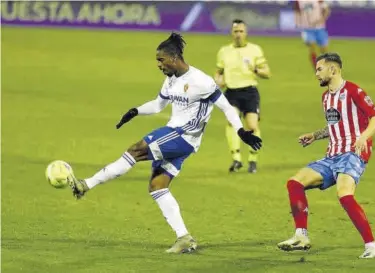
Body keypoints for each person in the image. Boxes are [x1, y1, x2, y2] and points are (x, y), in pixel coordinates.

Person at [67, 33, 262, 254]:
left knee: (135, 150)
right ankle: (184, 238)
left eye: (161, 60)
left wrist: (240, 131)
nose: (158, 65)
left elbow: (226, 107)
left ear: (174, 57)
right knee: (157, 187)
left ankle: (86, 185)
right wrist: (135, 111)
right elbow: (159, 105)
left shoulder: (201, 81)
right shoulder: (171, 78)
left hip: (182, 135)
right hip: (179, 138)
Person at [277, 53, 375, 259]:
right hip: (331, 155)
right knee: (295, 183)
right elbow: (335, 126)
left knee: (344, 195)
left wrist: (363, 137)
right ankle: (301, 236)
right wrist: (315, 135)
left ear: (333, 70)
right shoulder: (326, 97)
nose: (316, 74)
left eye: (319, 69)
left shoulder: (353, 91)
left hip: (351, 154)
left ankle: (372, 246)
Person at [214, 19, 271, 174]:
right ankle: (236, 159)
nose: (238, 34)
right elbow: (219, 72)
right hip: (232, 92)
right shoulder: (224, 51)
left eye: (241, 31)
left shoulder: (255, 50)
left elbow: (267, 72)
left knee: (252, 126)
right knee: (232, 123)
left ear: (246, 33)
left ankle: (252, 160)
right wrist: (218, 81)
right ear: (231, 33)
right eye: (235, 31)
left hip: (250, 92)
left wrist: (256, 70)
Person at [294, 0, 331, 68]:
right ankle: (316, 66)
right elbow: (297, 11)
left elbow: (326, 10)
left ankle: (326, 65)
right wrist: (298, 22)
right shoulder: (299, 1)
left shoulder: (319, 1)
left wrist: (322, 19)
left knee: (324, 49)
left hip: (320, 28)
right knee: (312, 45)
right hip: (307, 29)